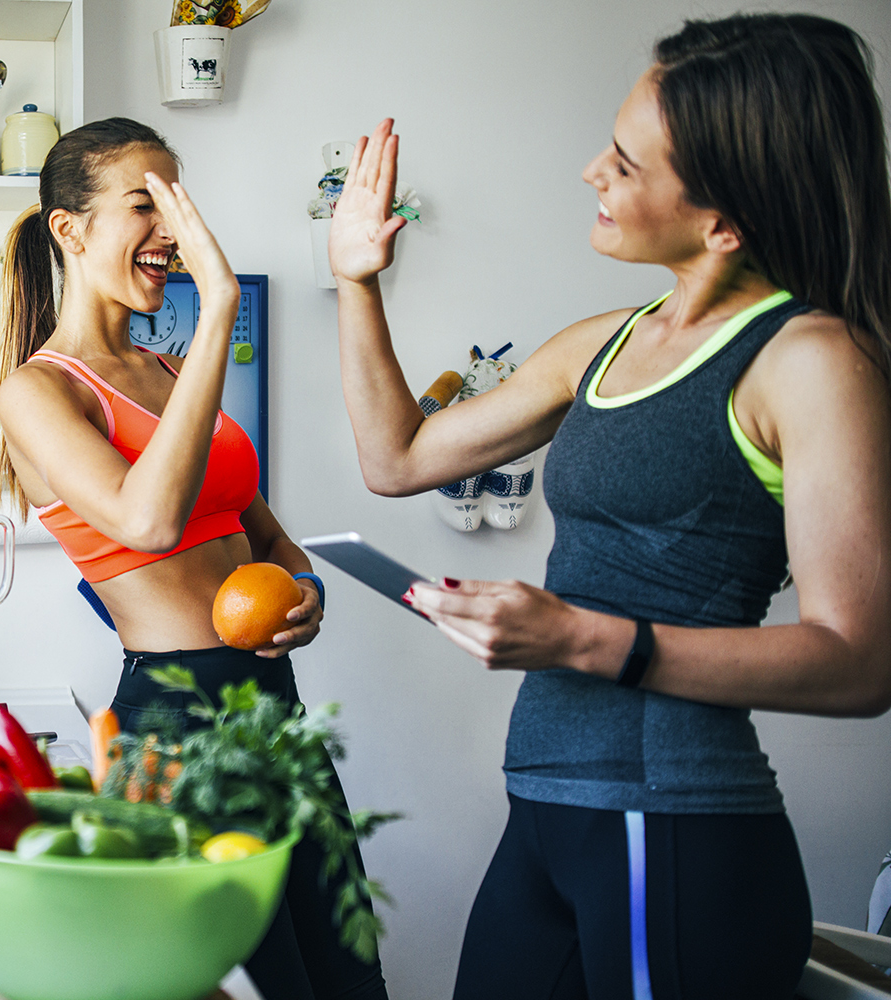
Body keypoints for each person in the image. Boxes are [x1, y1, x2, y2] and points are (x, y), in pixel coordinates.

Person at [328, 13, 891, 1000]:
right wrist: (354, 282)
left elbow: (859, 661)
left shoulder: (810, 362)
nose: (592, 170)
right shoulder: (606, 340)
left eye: (625, 164)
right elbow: (397, 456)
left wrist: (586, 638)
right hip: (545, 808)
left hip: (671, 821)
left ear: (723, 221)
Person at [0, 117, 388, 1000]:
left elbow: (272, 538)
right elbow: (148, 521)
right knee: (247, 982)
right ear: (72, 228)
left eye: (179, 202)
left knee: (346, 975)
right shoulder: (40, 391)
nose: (171, 229)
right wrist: (218, 309)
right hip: (174, 725)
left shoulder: (171, 373)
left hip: (274, 712)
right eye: (146, 203)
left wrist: (307, 588)